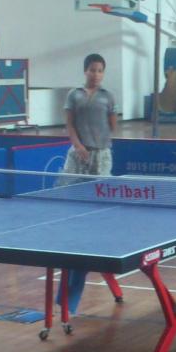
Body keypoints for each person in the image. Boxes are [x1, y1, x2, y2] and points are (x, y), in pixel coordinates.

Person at [58, 53, 118, 315]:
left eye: (100, 70)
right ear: (85, 71)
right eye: (92, 70)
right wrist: (79, 146)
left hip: (101, 155)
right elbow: (69, 125)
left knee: (99, 201)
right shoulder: (74, 95)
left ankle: (94, 237)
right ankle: (73, 234)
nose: (96, 74)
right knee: (69, 199)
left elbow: (112, 125)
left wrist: (97, 146)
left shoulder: (108, 96)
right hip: (77, 154)